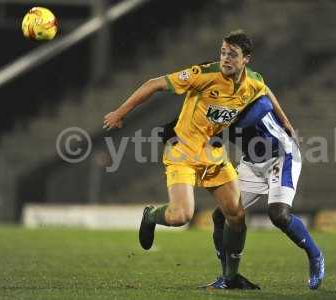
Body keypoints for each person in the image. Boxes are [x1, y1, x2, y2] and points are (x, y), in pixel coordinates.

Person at [103, 30, 291, 289]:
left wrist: (285, 121)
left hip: (213, 153)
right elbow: (153, 84)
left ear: (246, 59)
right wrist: (120, 112)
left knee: (236, 216)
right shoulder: (204, 74)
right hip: (182, 152)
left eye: (232, 54)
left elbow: (266, 91)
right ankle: (150, 216)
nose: (225, 58)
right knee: (181, 216)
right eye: (223, 52)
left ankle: (230, 277)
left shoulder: (253, 82)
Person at [204, 95, 325, 290]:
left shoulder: (247, 87)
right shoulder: (214, 106)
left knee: (279, 215)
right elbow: (214, 138)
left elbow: (263, 105)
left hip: (282, 156)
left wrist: (223, 120)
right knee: (221, 215)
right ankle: (228, 278)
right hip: (251, 163)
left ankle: (315, 255)